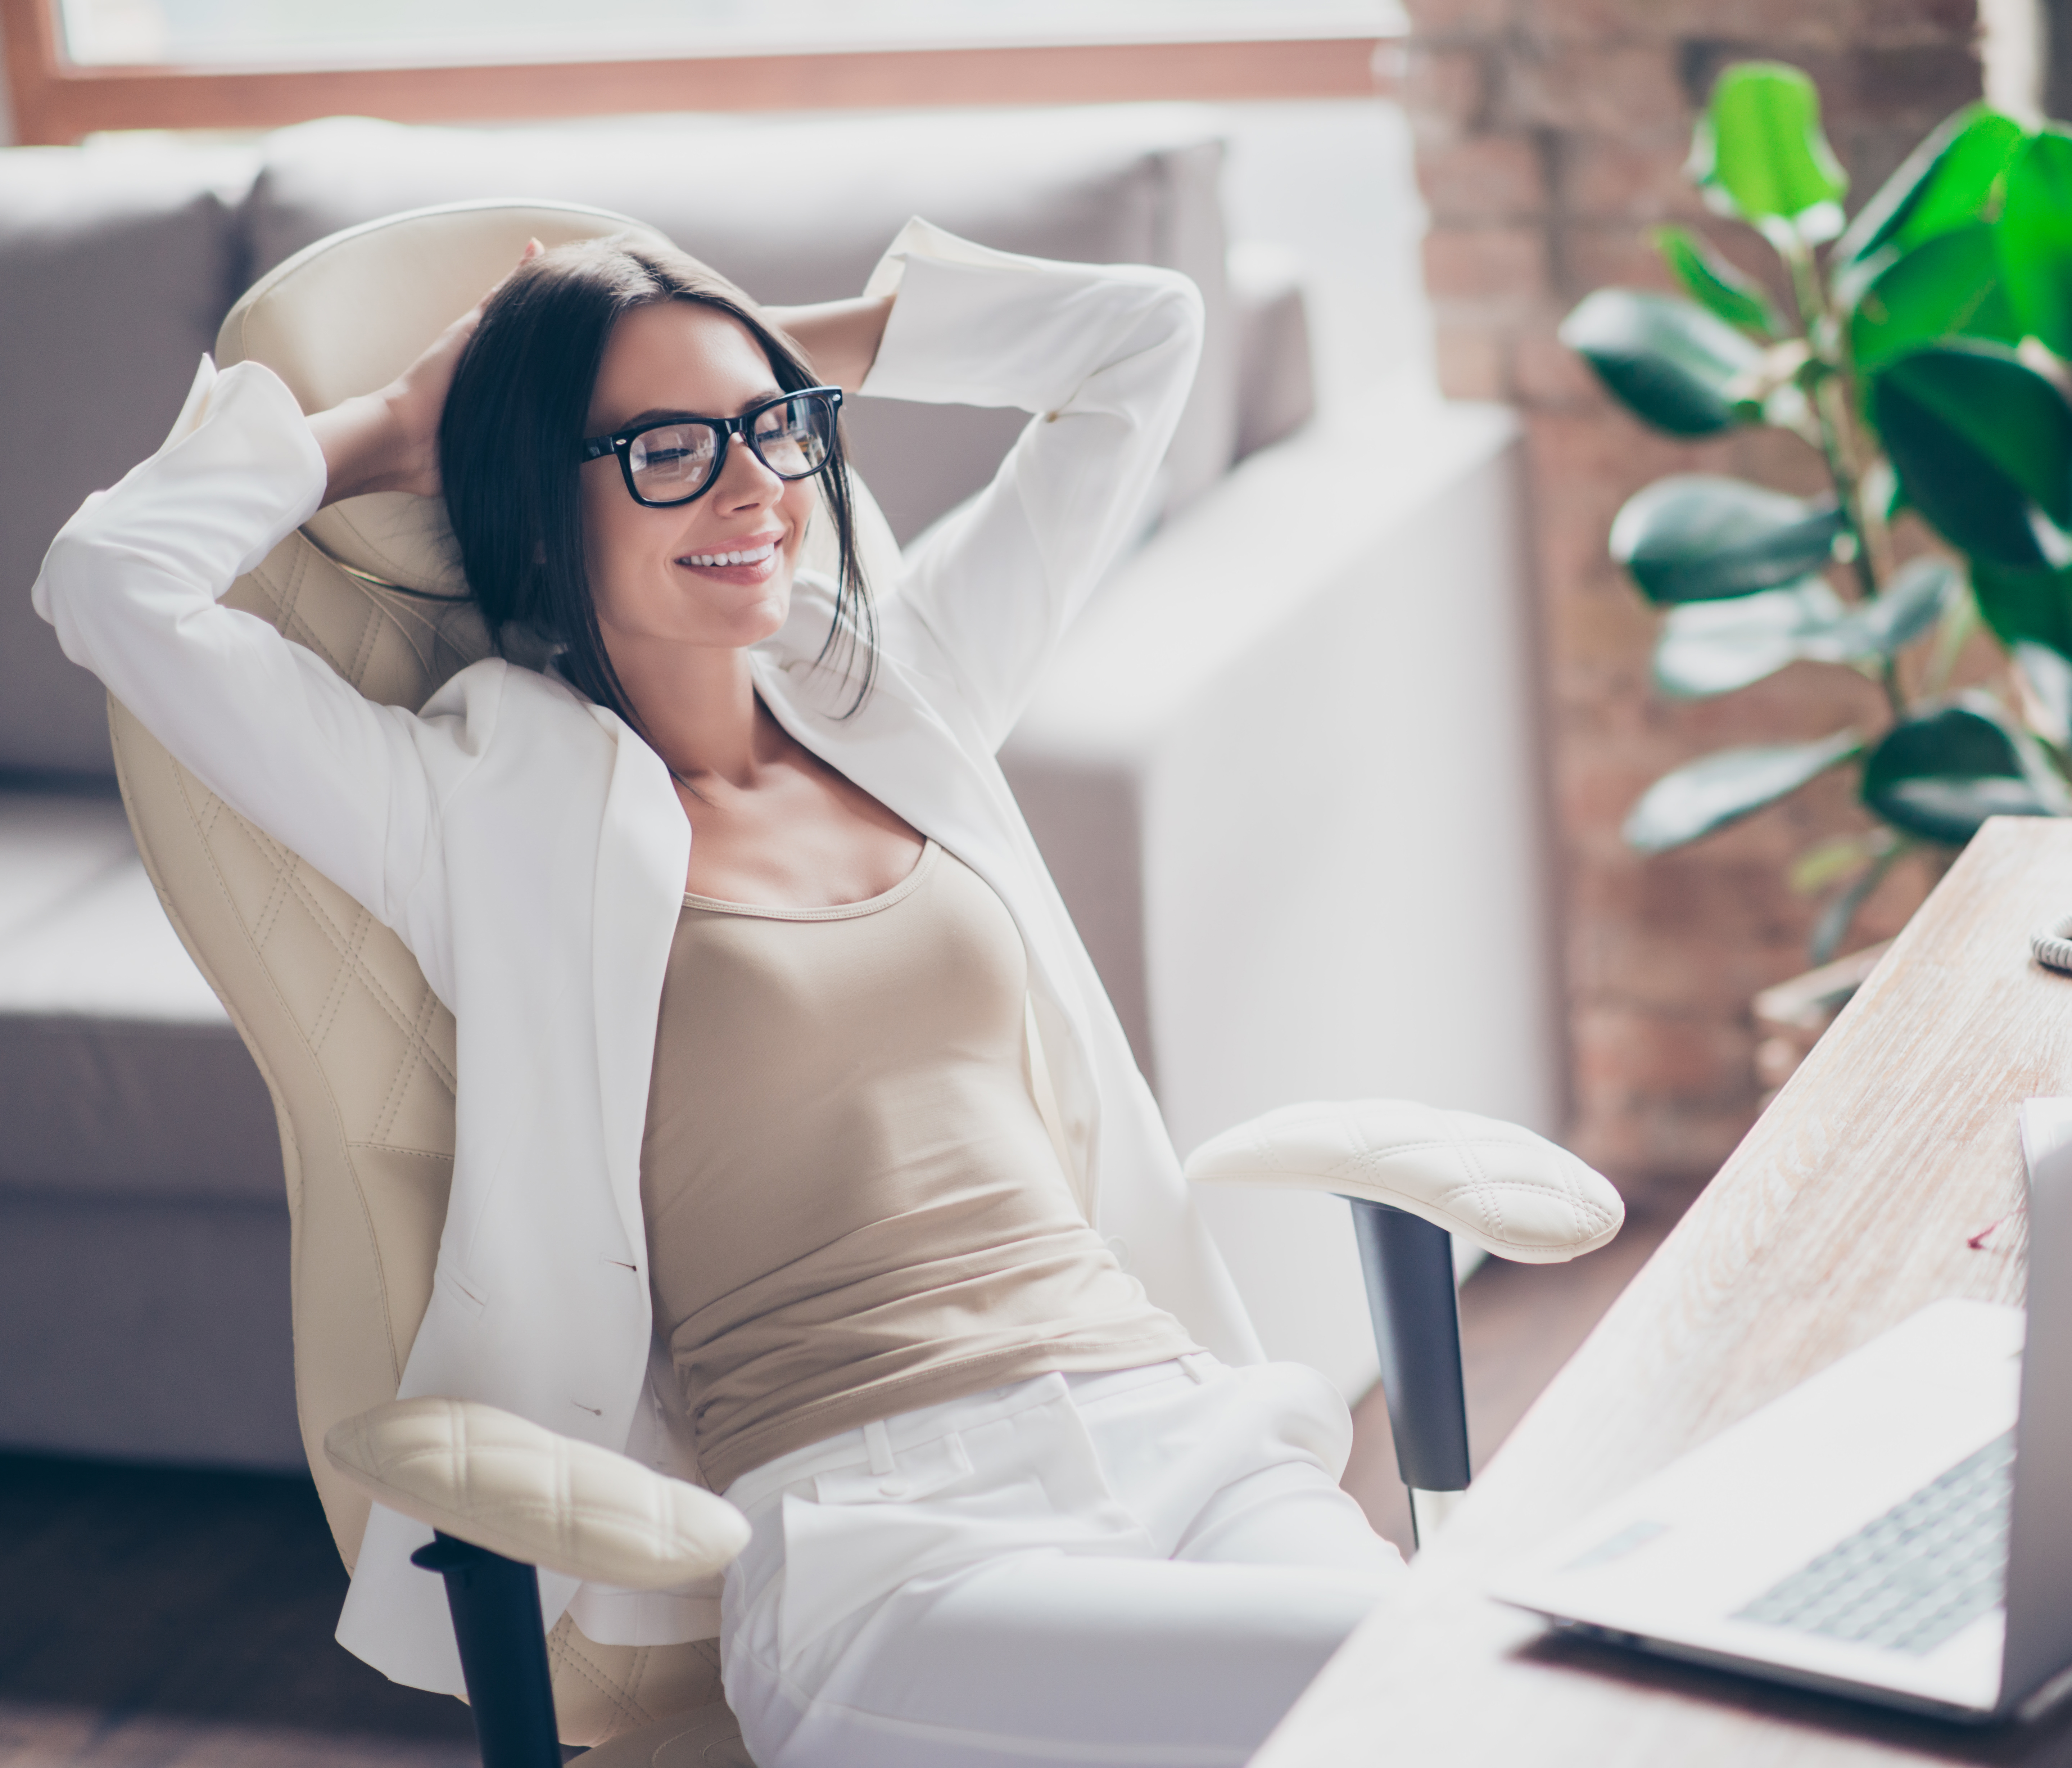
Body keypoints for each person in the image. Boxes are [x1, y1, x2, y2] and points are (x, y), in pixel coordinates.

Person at [35, 217, 1403, 1768]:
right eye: (669, 452)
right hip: (890, 1542)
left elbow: (1141, 336)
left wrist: (741, 357)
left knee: (1478, 1690)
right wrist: (397, 429)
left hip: (1185, 1435)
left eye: (773, 434)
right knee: (1388, 1713)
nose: (754, 489)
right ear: (539, 497)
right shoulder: (473, 808)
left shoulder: (899, 690)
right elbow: (114, 578)